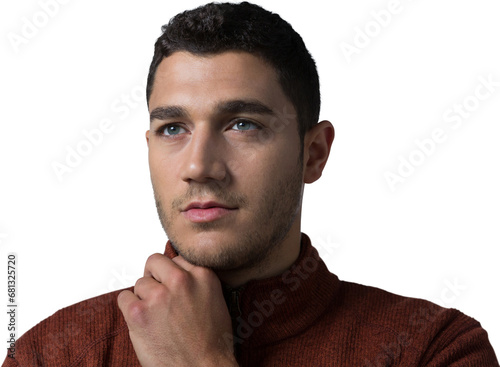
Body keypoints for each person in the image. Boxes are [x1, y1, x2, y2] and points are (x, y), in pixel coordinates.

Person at [3, 2, 498, 366]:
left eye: (242, 124)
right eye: (172, 128)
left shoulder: (435, 349)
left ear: (314, 154)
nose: (200, 167)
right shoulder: (52, 354)